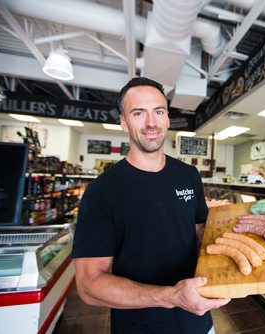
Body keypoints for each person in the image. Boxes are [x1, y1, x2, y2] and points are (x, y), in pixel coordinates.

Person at [72, 76, 230, 334]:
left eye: (159, 111)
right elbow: (89, 284)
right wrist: (171, 296)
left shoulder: (189, 175)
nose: (151, 123)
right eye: (138, 113)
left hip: (199, 321)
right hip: (139, 327)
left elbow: (201, 231)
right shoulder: (102, 191)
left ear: (168, 118)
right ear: (123, 122)